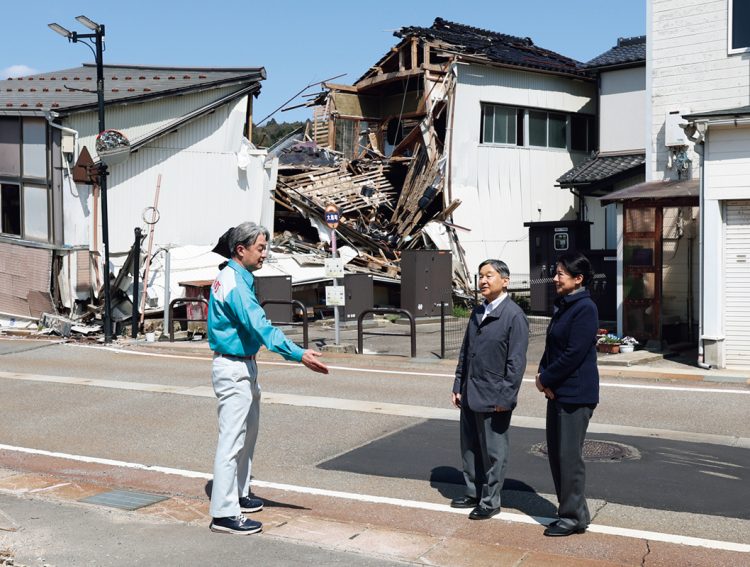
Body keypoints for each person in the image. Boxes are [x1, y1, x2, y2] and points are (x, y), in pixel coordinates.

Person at [207, 222, 329, 535]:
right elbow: (262, 327)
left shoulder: (231, 277)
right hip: (234, 367)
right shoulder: (234, 283)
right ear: (241, 250)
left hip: (241, 364)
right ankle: (223, 513)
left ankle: (240, 493)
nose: (265, 254)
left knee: (246, 436)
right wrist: (299, 354)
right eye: (260, 248)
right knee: (232, 441)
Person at [450, 259, 529, 520]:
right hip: (470, 391)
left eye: (489, 276)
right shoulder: (477, 311)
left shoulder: (513, 315)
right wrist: (457, 384)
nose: (483, 281)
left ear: (505, 281)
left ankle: (491, 500)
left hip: (494, 395)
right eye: (480, 276)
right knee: (469, 447)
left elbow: (516, 363)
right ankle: (473, 491)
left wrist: (506, 398)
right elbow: (466, 352)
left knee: (494, 452)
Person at [535, 252, 599, 537]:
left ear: (578, 279)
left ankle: (572, 517)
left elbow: (574, 354)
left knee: (568, 457)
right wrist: (541, 376)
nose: (556, 278)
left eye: (561, 273)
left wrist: (546, 378)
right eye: (556, 272)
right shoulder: (564, 305)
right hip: (557, 392)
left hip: (576, 393)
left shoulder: (585, 308)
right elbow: (552, 348)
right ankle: (573, 512)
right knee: (557, 456)